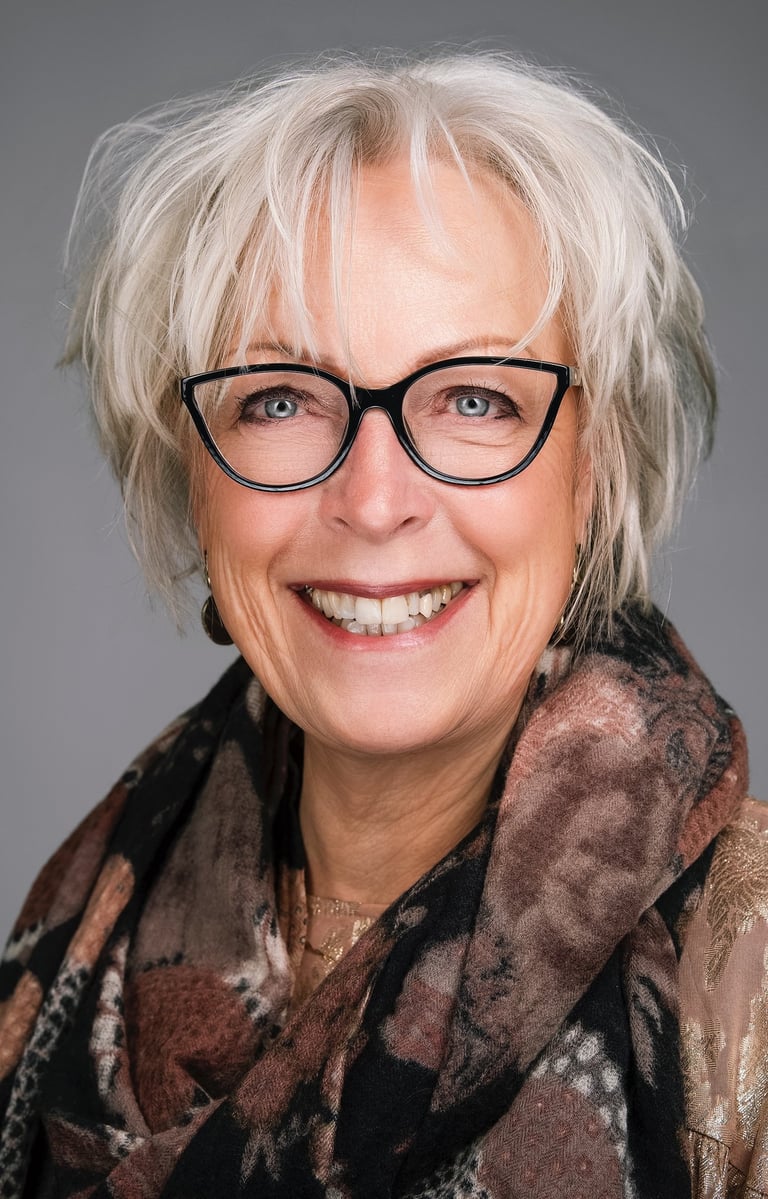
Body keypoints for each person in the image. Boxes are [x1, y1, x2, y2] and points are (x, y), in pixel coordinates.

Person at [0, 49, 765, 1199]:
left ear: (590, 469)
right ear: (190, 475)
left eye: (473, 398)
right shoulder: (78, 929)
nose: (371, 499)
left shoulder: (748, 971)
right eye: (279, 399)